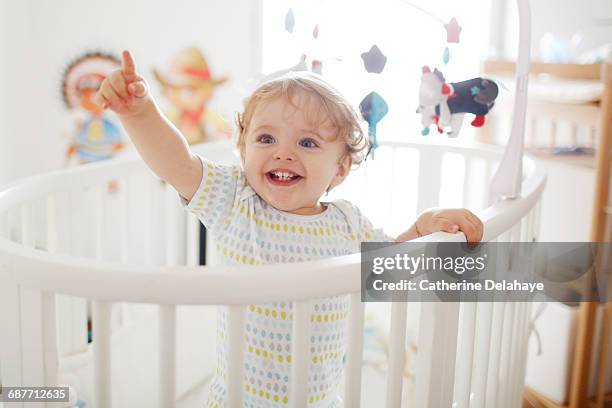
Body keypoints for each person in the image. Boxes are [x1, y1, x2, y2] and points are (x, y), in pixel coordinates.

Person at [95, 50, 484, 407]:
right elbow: (176, 163)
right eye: (265, 138)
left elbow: (389, 266)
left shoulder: (347, 221)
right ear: (244, 149)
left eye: (308, 142)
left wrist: (424, 225)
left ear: (341, 169)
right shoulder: (235, 200)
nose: (283, 152)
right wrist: (139, 113)